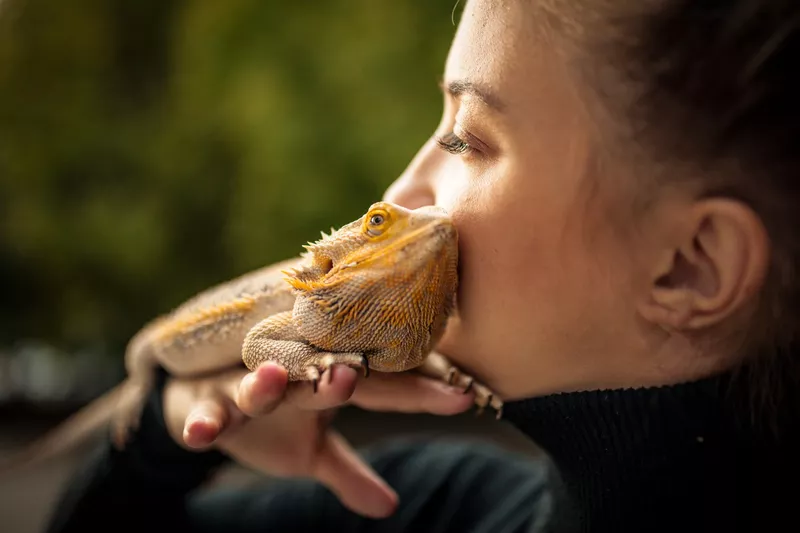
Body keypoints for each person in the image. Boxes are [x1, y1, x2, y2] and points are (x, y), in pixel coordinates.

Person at [45, 0, 800, 532]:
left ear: (691, 264)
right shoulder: (419, 500)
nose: (402, 194)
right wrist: (155, 441)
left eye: (467, 138)